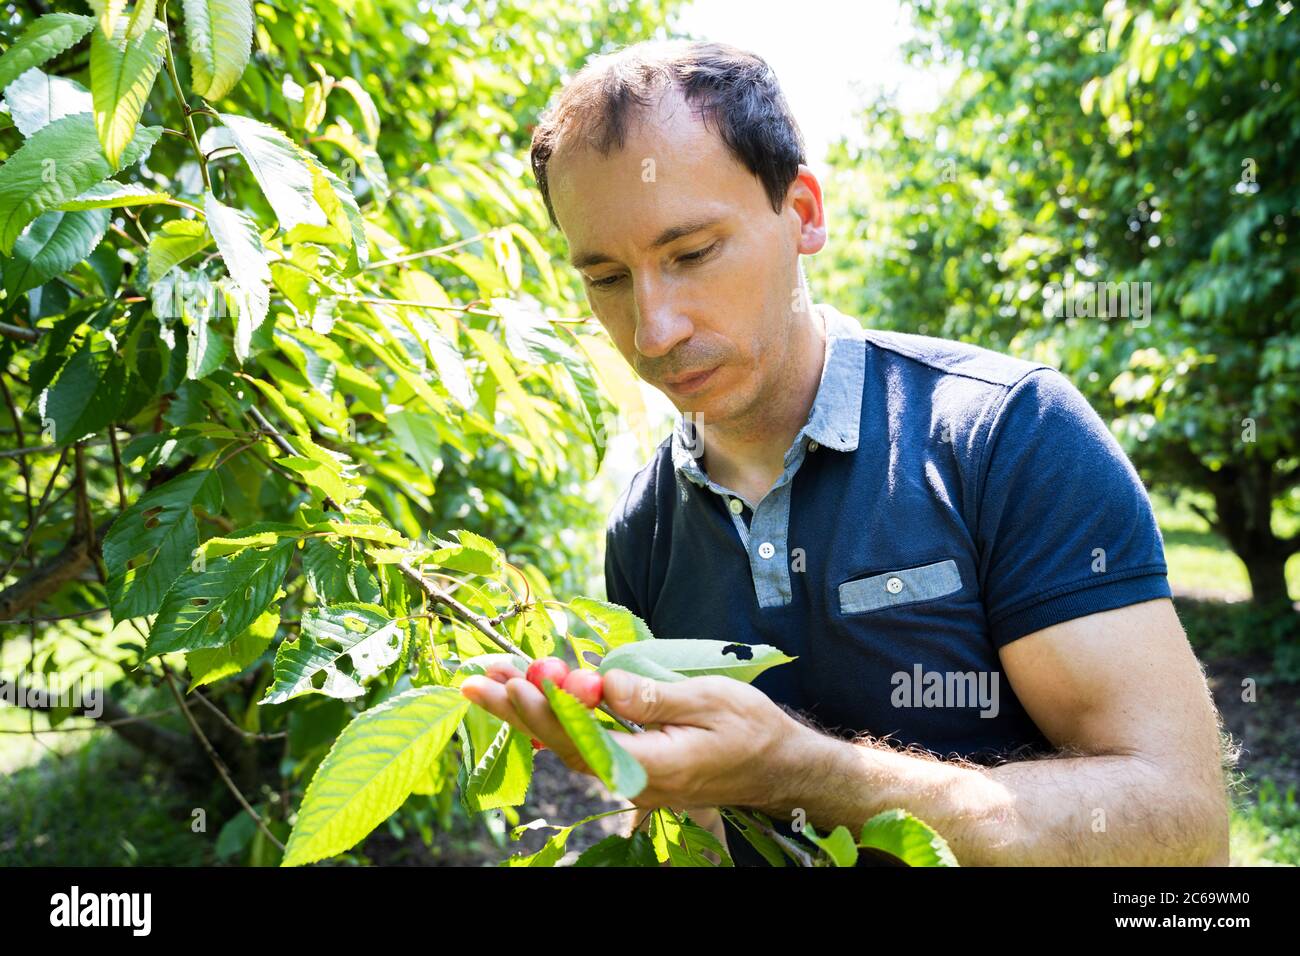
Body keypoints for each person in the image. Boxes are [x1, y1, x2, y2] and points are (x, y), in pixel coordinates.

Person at [459, 38, 1232, 866]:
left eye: (691, 253)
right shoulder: (644, 527)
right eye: (606, 277)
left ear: (803, 214)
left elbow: (1182, 829)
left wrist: (814, 775)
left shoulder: (1007, 435)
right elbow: (693, 825)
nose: (654, 330)